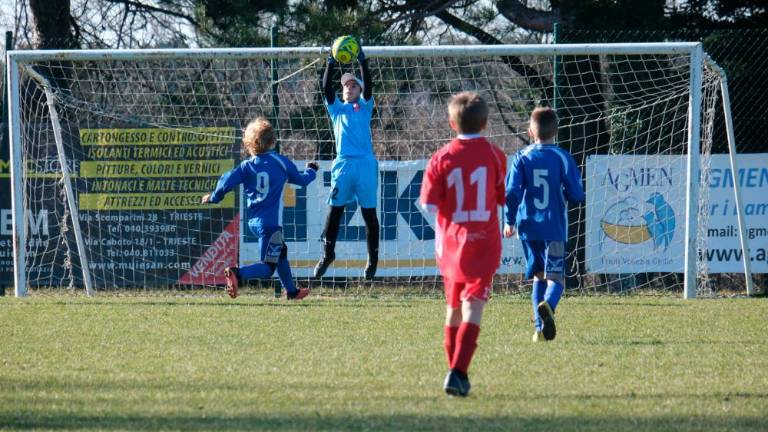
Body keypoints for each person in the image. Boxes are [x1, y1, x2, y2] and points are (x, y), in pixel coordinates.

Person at [419, 92, 507, 397]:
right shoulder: (496, 155)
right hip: (483, 245)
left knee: (453, 308)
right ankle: (458, 371)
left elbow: (428, 206)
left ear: (450, 122)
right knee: (474, 307)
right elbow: (500, 196)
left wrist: (448, 224)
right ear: (484, 123)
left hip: (451, 247)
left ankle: (454, 372)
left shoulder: (441, 157)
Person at [202, 117, 318, 300]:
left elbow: (226, 181)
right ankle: (236, 273)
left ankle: (292, 292)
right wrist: (311, 171)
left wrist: (214, 197)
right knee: (268, 267)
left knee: (280, 253)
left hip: (254, 223)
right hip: (271, 225)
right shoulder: (279, 161)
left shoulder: (246, 166)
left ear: (248, 143)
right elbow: (301, 181)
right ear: (273, 141)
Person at [503, 107, 585, 342]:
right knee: (557, 278)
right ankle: (548, 305)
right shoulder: (562, 156)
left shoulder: (522, 157)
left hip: (528, 227)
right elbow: (576, 194)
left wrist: (509, 221)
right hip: (554, 227)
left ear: (530, 131)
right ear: (556, 131)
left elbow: (511, 192)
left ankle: (539, 330)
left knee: (538, 277)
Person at [313, 40, 379, 280]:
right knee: (335, 211)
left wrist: (362, 60)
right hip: (343, 165)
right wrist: (330, 62)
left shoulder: (365, 105)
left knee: (369, 214)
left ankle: (373, 259)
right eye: (346, 86)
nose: (348, 88)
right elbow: (325, 88)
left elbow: (369, 83)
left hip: (365, 165)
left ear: (360, 91)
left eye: (353, 85)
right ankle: (328, 254)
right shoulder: (337, 109)